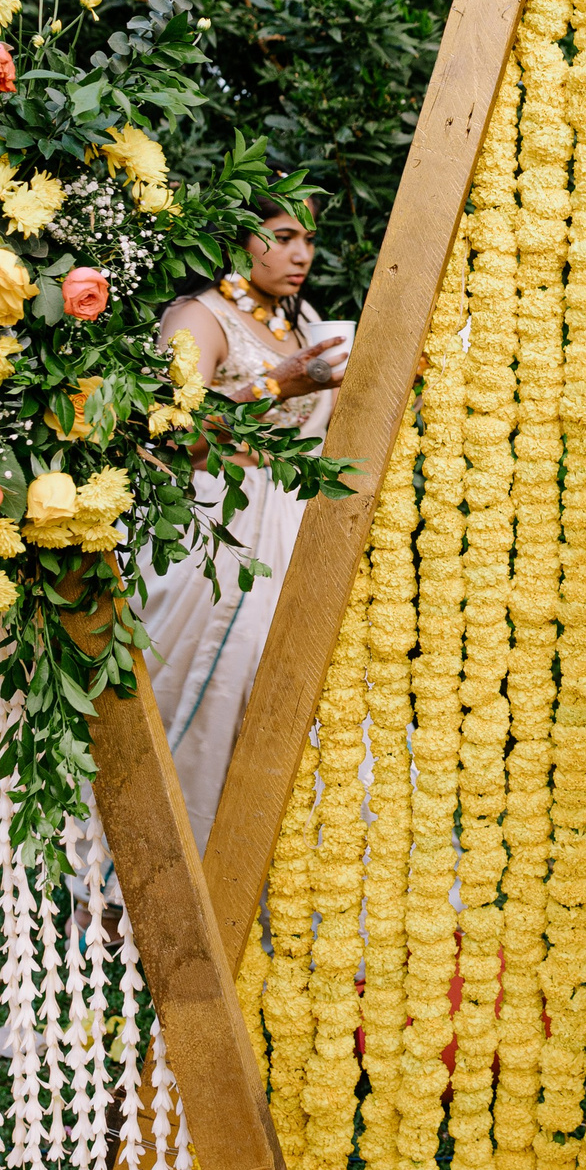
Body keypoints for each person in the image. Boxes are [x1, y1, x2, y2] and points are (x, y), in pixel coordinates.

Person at [141, 200, 348, 849]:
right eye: (283, 237)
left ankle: (260, 875)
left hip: (299, 530)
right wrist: (275, 387)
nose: (301, 254)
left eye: (308, 239)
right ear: (239, 239)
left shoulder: (308, 323)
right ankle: (150, 880)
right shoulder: (199, 317)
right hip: (217, 535)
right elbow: (169, 438)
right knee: (207, 704)